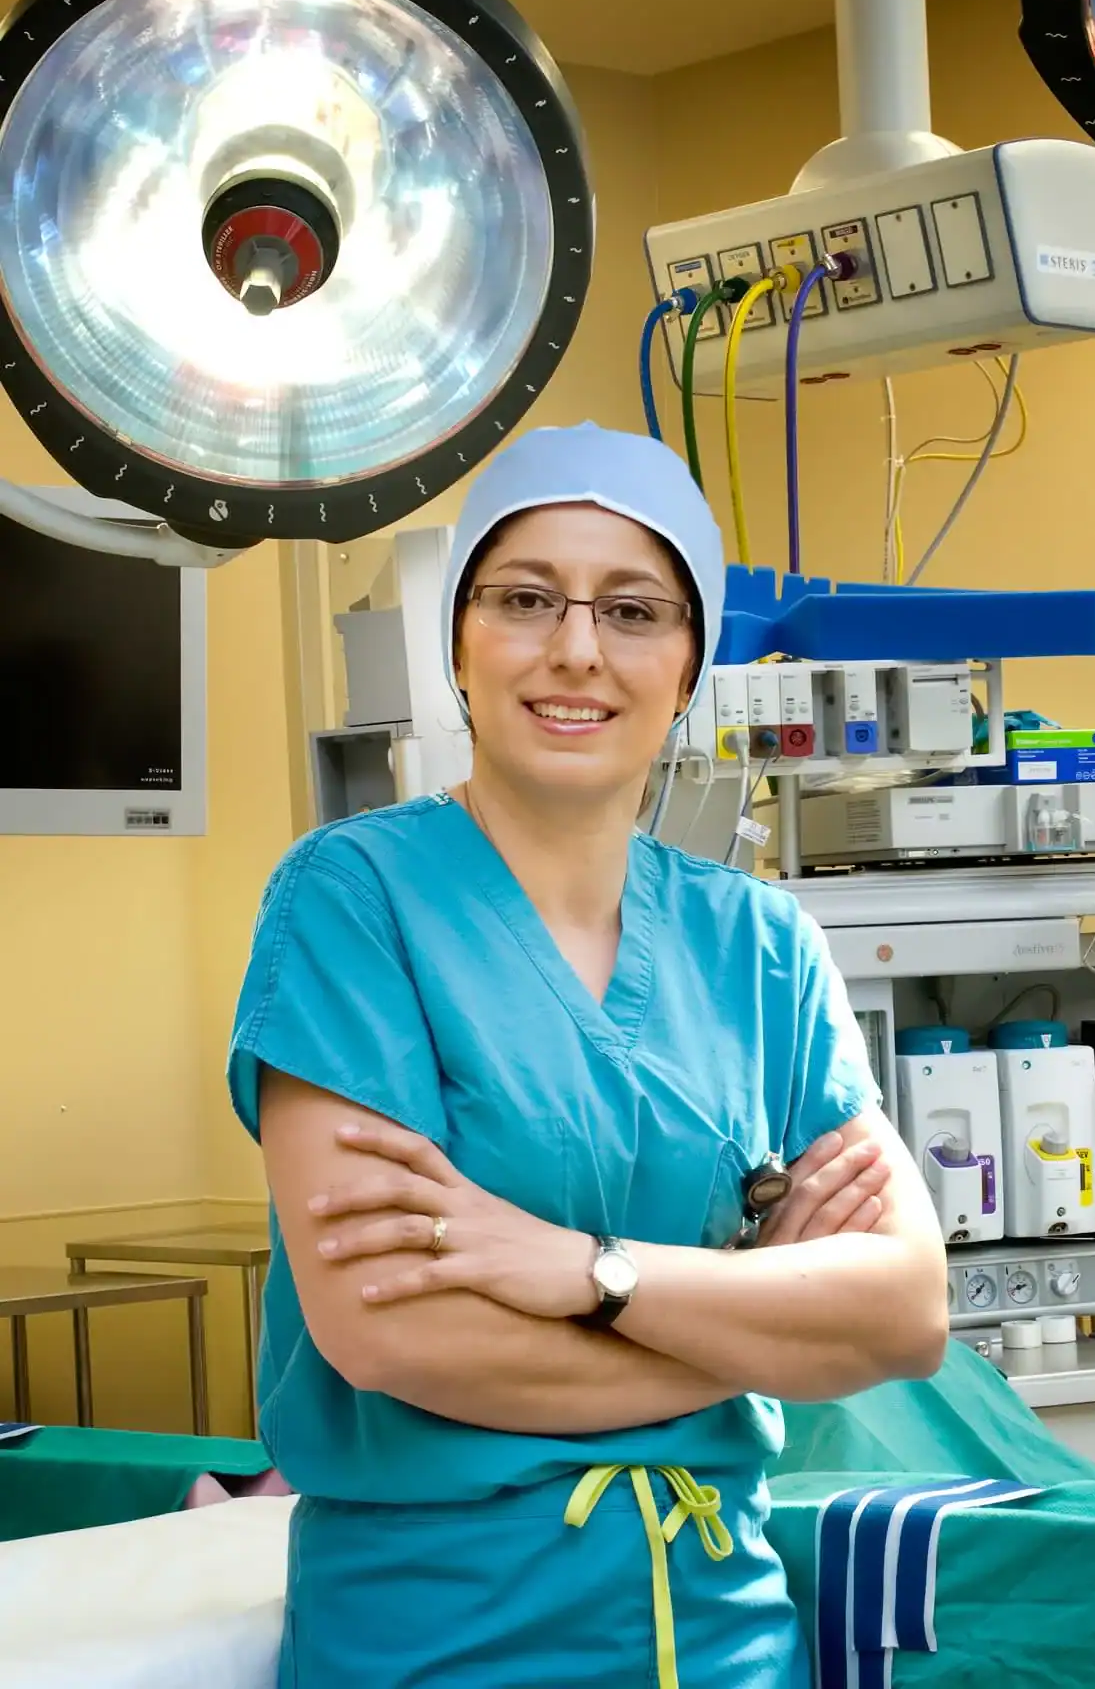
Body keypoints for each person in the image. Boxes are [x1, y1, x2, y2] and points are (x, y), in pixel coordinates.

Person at [228, 421, 950, 1688]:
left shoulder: (759, 944)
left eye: (631, 610)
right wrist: (745, 1331)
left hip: (725, 1640)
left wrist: (583, 1271)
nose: (575, 649)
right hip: (438, 1641)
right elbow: (391, 1335)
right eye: (524, 599)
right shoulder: (352, 900)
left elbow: (900, 1314)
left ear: (687, 667)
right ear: (458, 642)